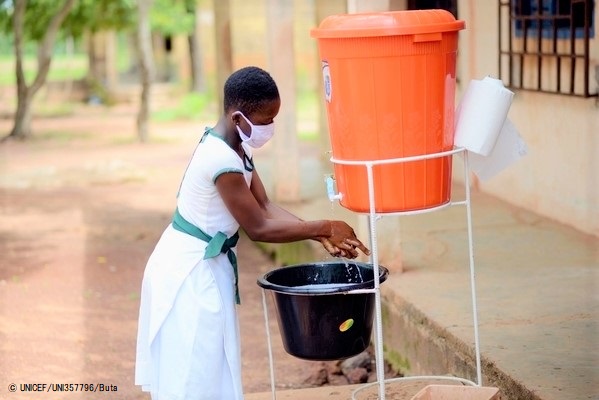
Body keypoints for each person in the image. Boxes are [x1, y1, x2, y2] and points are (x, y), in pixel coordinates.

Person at [135, 66, 370, 400]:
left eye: (273, 118)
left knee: (212, 363)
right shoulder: (220, 160)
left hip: (206, 265)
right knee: (192, 370)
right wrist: (323, 226)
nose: (269, 128)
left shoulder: (236, 147)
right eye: (264, 121)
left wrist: (320, 235)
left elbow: (265, 205)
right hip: (186, 272)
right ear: (237, 117)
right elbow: (258, 228)